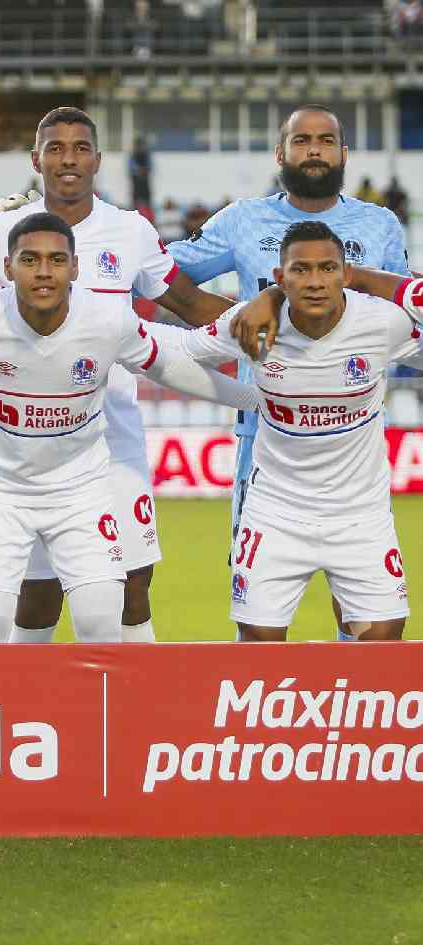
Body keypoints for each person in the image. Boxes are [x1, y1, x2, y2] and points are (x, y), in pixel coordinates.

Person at [0, 106, 235, 645]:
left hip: (112, 436)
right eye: (55, 148)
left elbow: (191, 305)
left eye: (80, 149)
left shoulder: (130, 230)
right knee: (38, 593)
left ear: (97, 159)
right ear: (36, 160)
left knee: (132, 586)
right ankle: (28, 694)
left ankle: (125, 696)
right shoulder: (2, 232)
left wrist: (277, 322)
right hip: (22, 450)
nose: (68, 160)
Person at [168, 104, 410, 640]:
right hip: (265, 432)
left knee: (360, 607)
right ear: (281, 153)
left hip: (351, 433)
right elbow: (163, 272)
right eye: (301, 141)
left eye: (325, 140)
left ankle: (353, 693)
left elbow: (399, 309)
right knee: (259, 607)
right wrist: (237, 319)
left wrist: (276, 297)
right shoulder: (242, 220)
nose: (314, 150)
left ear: (344, 154)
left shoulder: (379, 224)